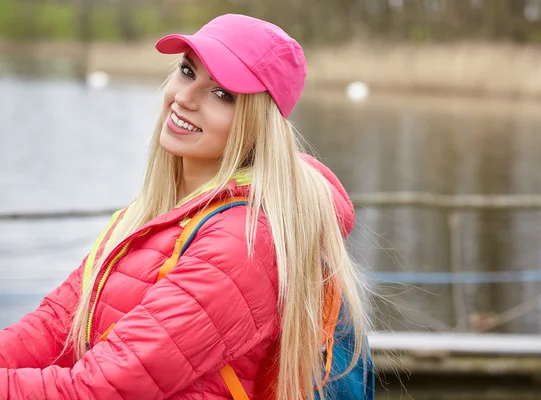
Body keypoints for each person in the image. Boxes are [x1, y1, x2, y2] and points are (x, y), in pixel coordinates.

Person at [0, 14, 371, 399]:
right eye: (187, 71)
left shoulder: (243, 243)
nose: (184, 97)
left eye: (222, 94)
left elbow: (102, 388)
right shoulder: (150, 214)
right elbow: (56, 325)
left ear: (257, 123)